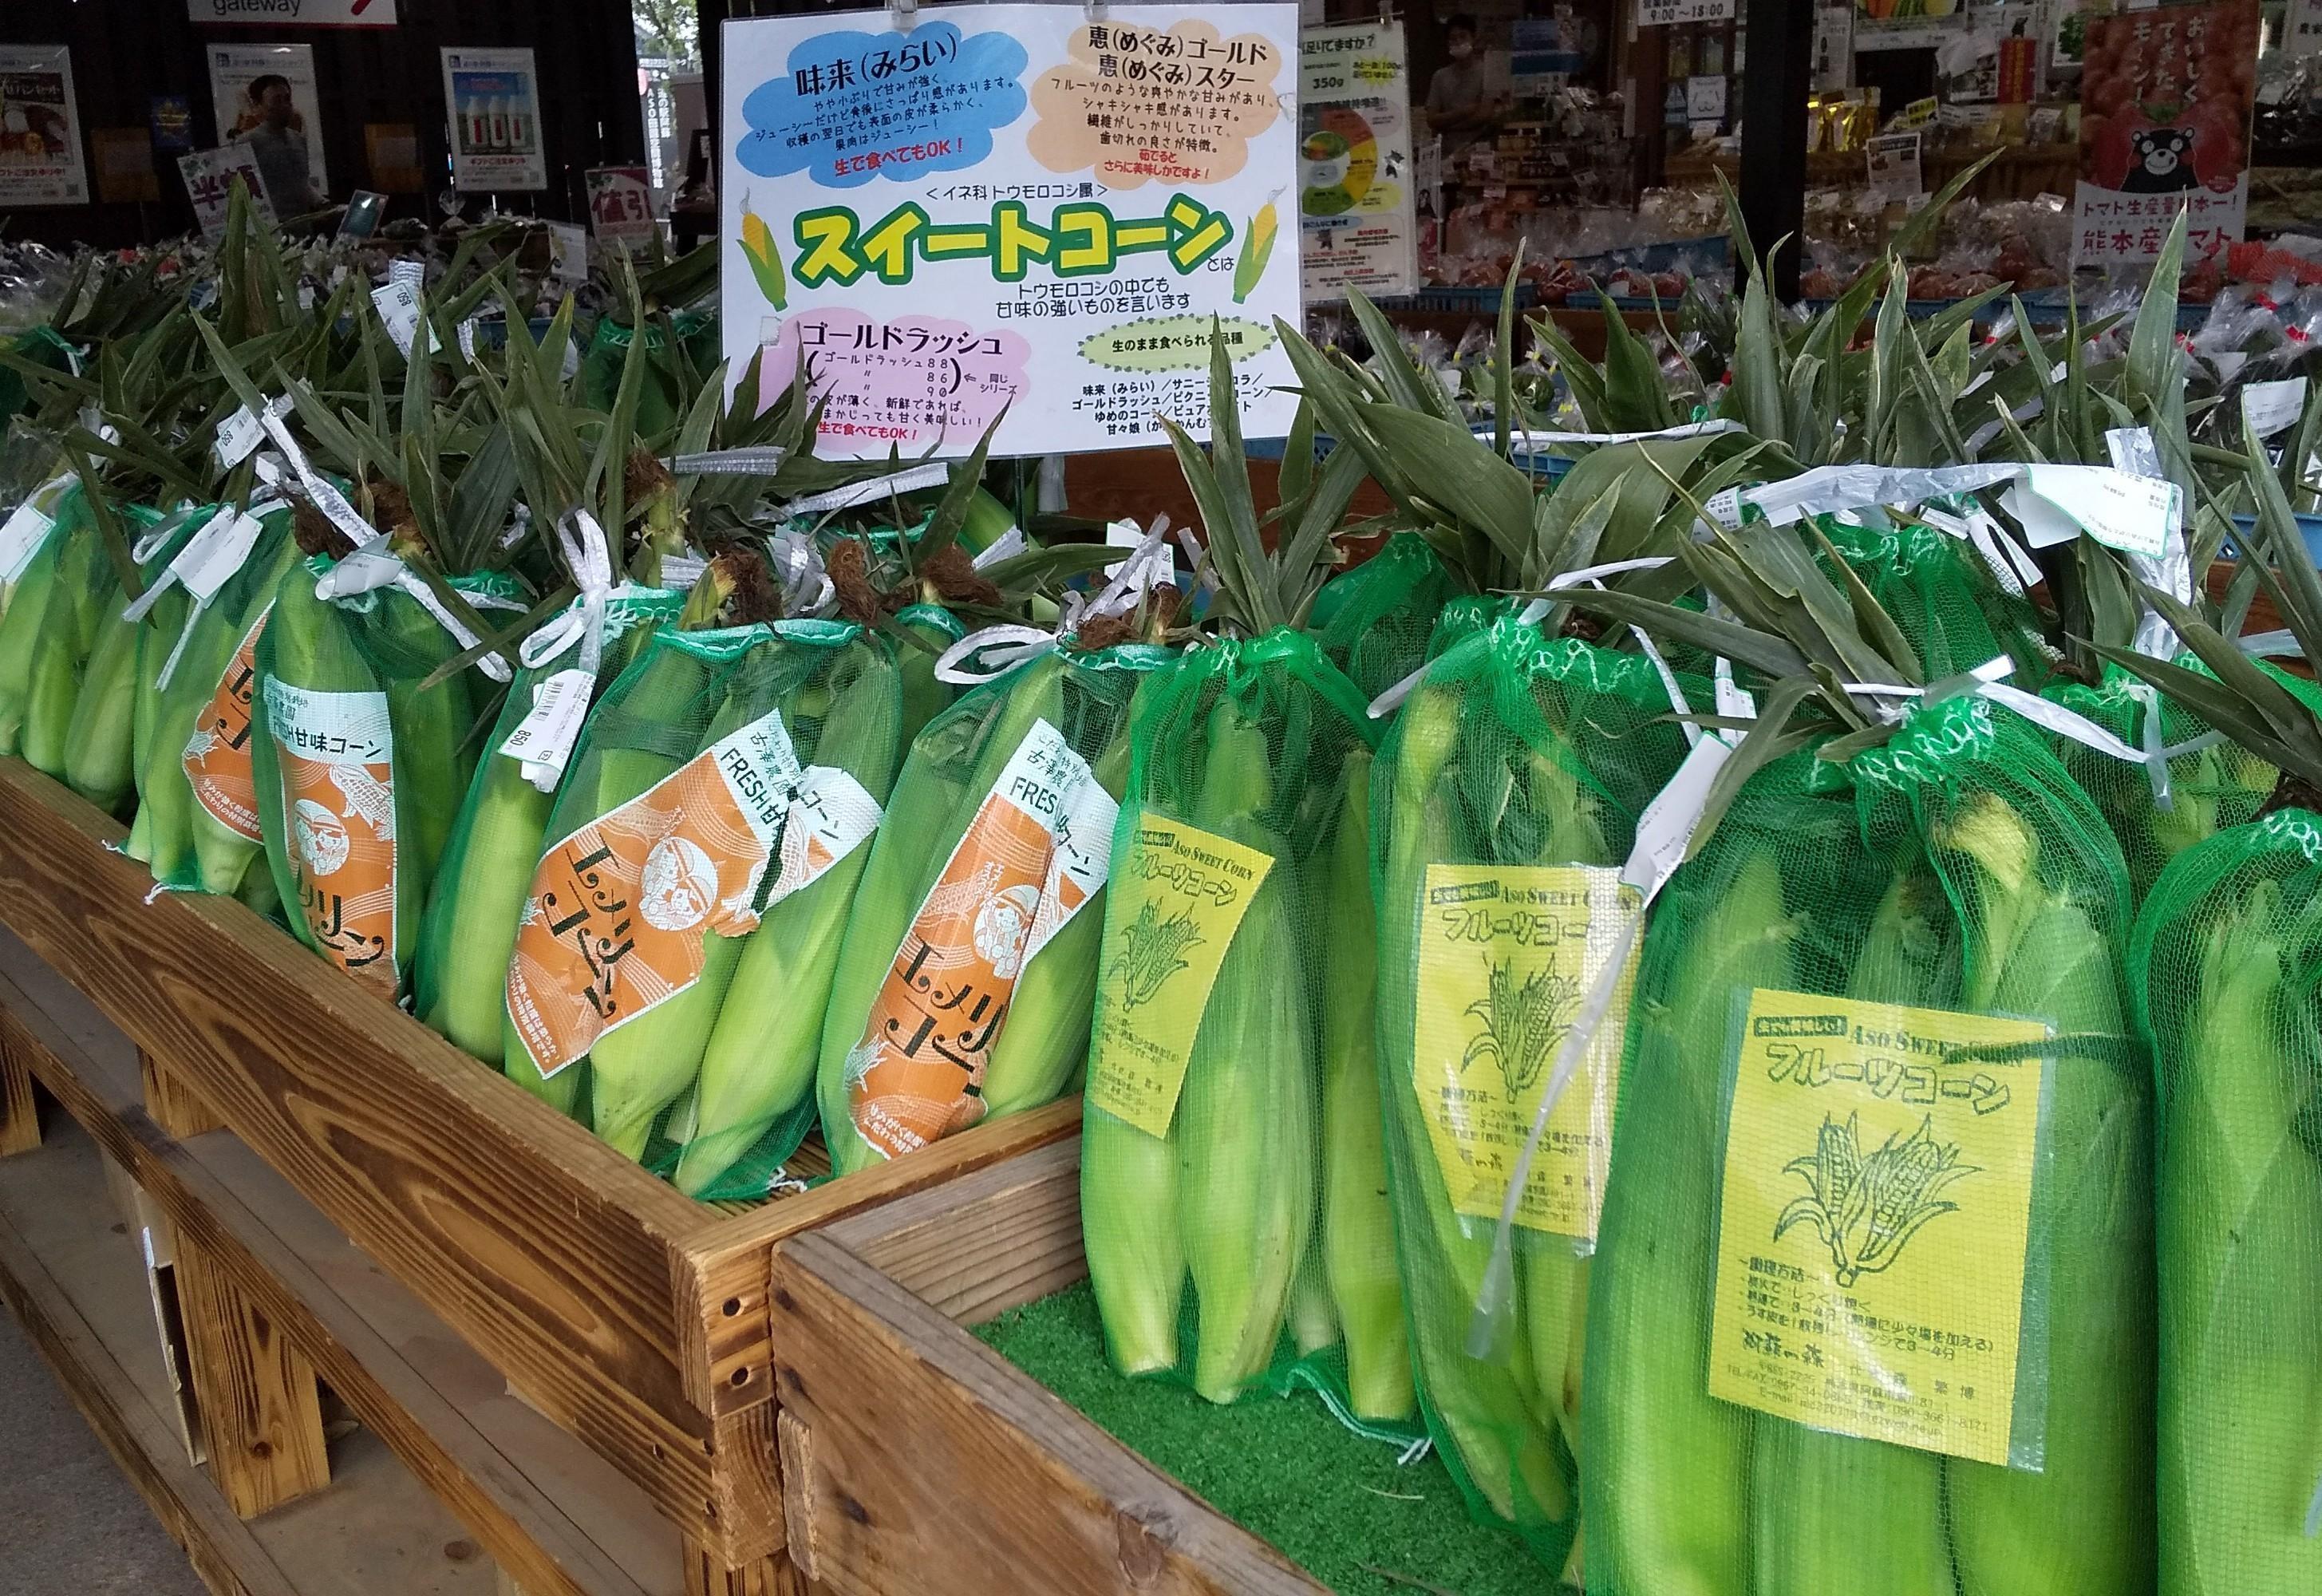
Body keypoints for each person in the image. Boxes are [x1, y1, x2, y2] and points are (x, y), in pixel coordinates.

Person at [233, 74, 323, 211]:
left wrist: (322, 203)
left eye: (287, 99)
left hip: (302, 225)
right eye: (276, 101)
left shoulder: (298, 139)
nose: (284, 106)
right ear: (258, 105)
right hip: (268, 228)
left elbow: (301, 183)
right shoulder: (246, 143)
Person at [1426, 15, 1503, 136]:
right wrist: (1465, 111)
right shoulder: (1440, 76)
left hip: (1480, 146)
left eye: (1463, 36)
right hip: (1447, 150)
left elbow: (1484, 115)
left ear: (1474, 38)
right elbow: (1431, 119)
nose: (1458, 42)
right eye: (1453, 38)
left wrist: (1446, 124)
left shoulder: (1488, 72)